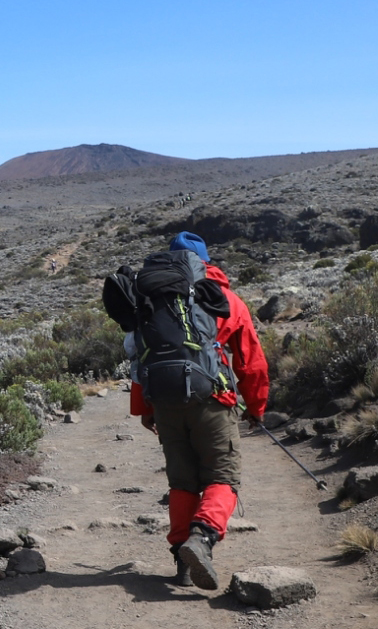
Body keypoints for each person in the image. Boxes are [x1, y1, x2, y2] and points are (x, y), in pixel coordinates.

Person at [129, 231, 269, 590]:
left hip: (165, 403)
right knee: (223, 476)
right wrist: (256, 407)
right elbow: (251, 362)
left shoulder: (153, 300)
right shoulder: (225, 298)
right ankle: (202, 538)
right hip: (213, 401)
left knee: (182, 481)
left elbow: (141, 354)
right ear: (207, 261)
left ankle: (182, 562)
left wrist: (145, 408)